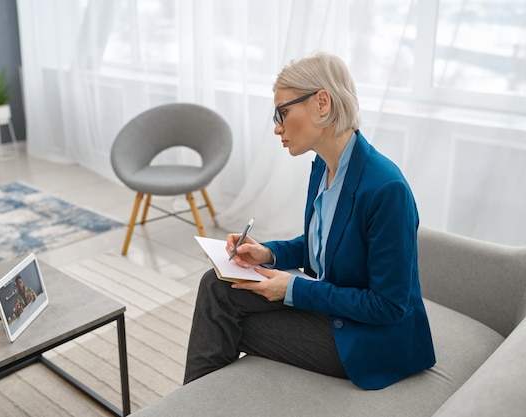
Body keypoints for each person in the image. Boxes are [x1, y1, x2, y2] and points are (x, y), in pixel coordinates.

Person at [184, 53, 435, 390]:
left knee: (221, 326)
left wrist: (294, 290)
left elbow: (389, 306)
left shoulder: (386, 189)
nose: (277, 127)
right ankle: (198, 404)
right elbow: (323, 246)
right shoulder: (323, 167)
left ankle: (194, 404)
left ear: (321, 102)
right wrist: (267, 253)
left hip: (369, 337)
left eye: (283, 112)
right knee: (215, 286)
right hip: (332, 309)